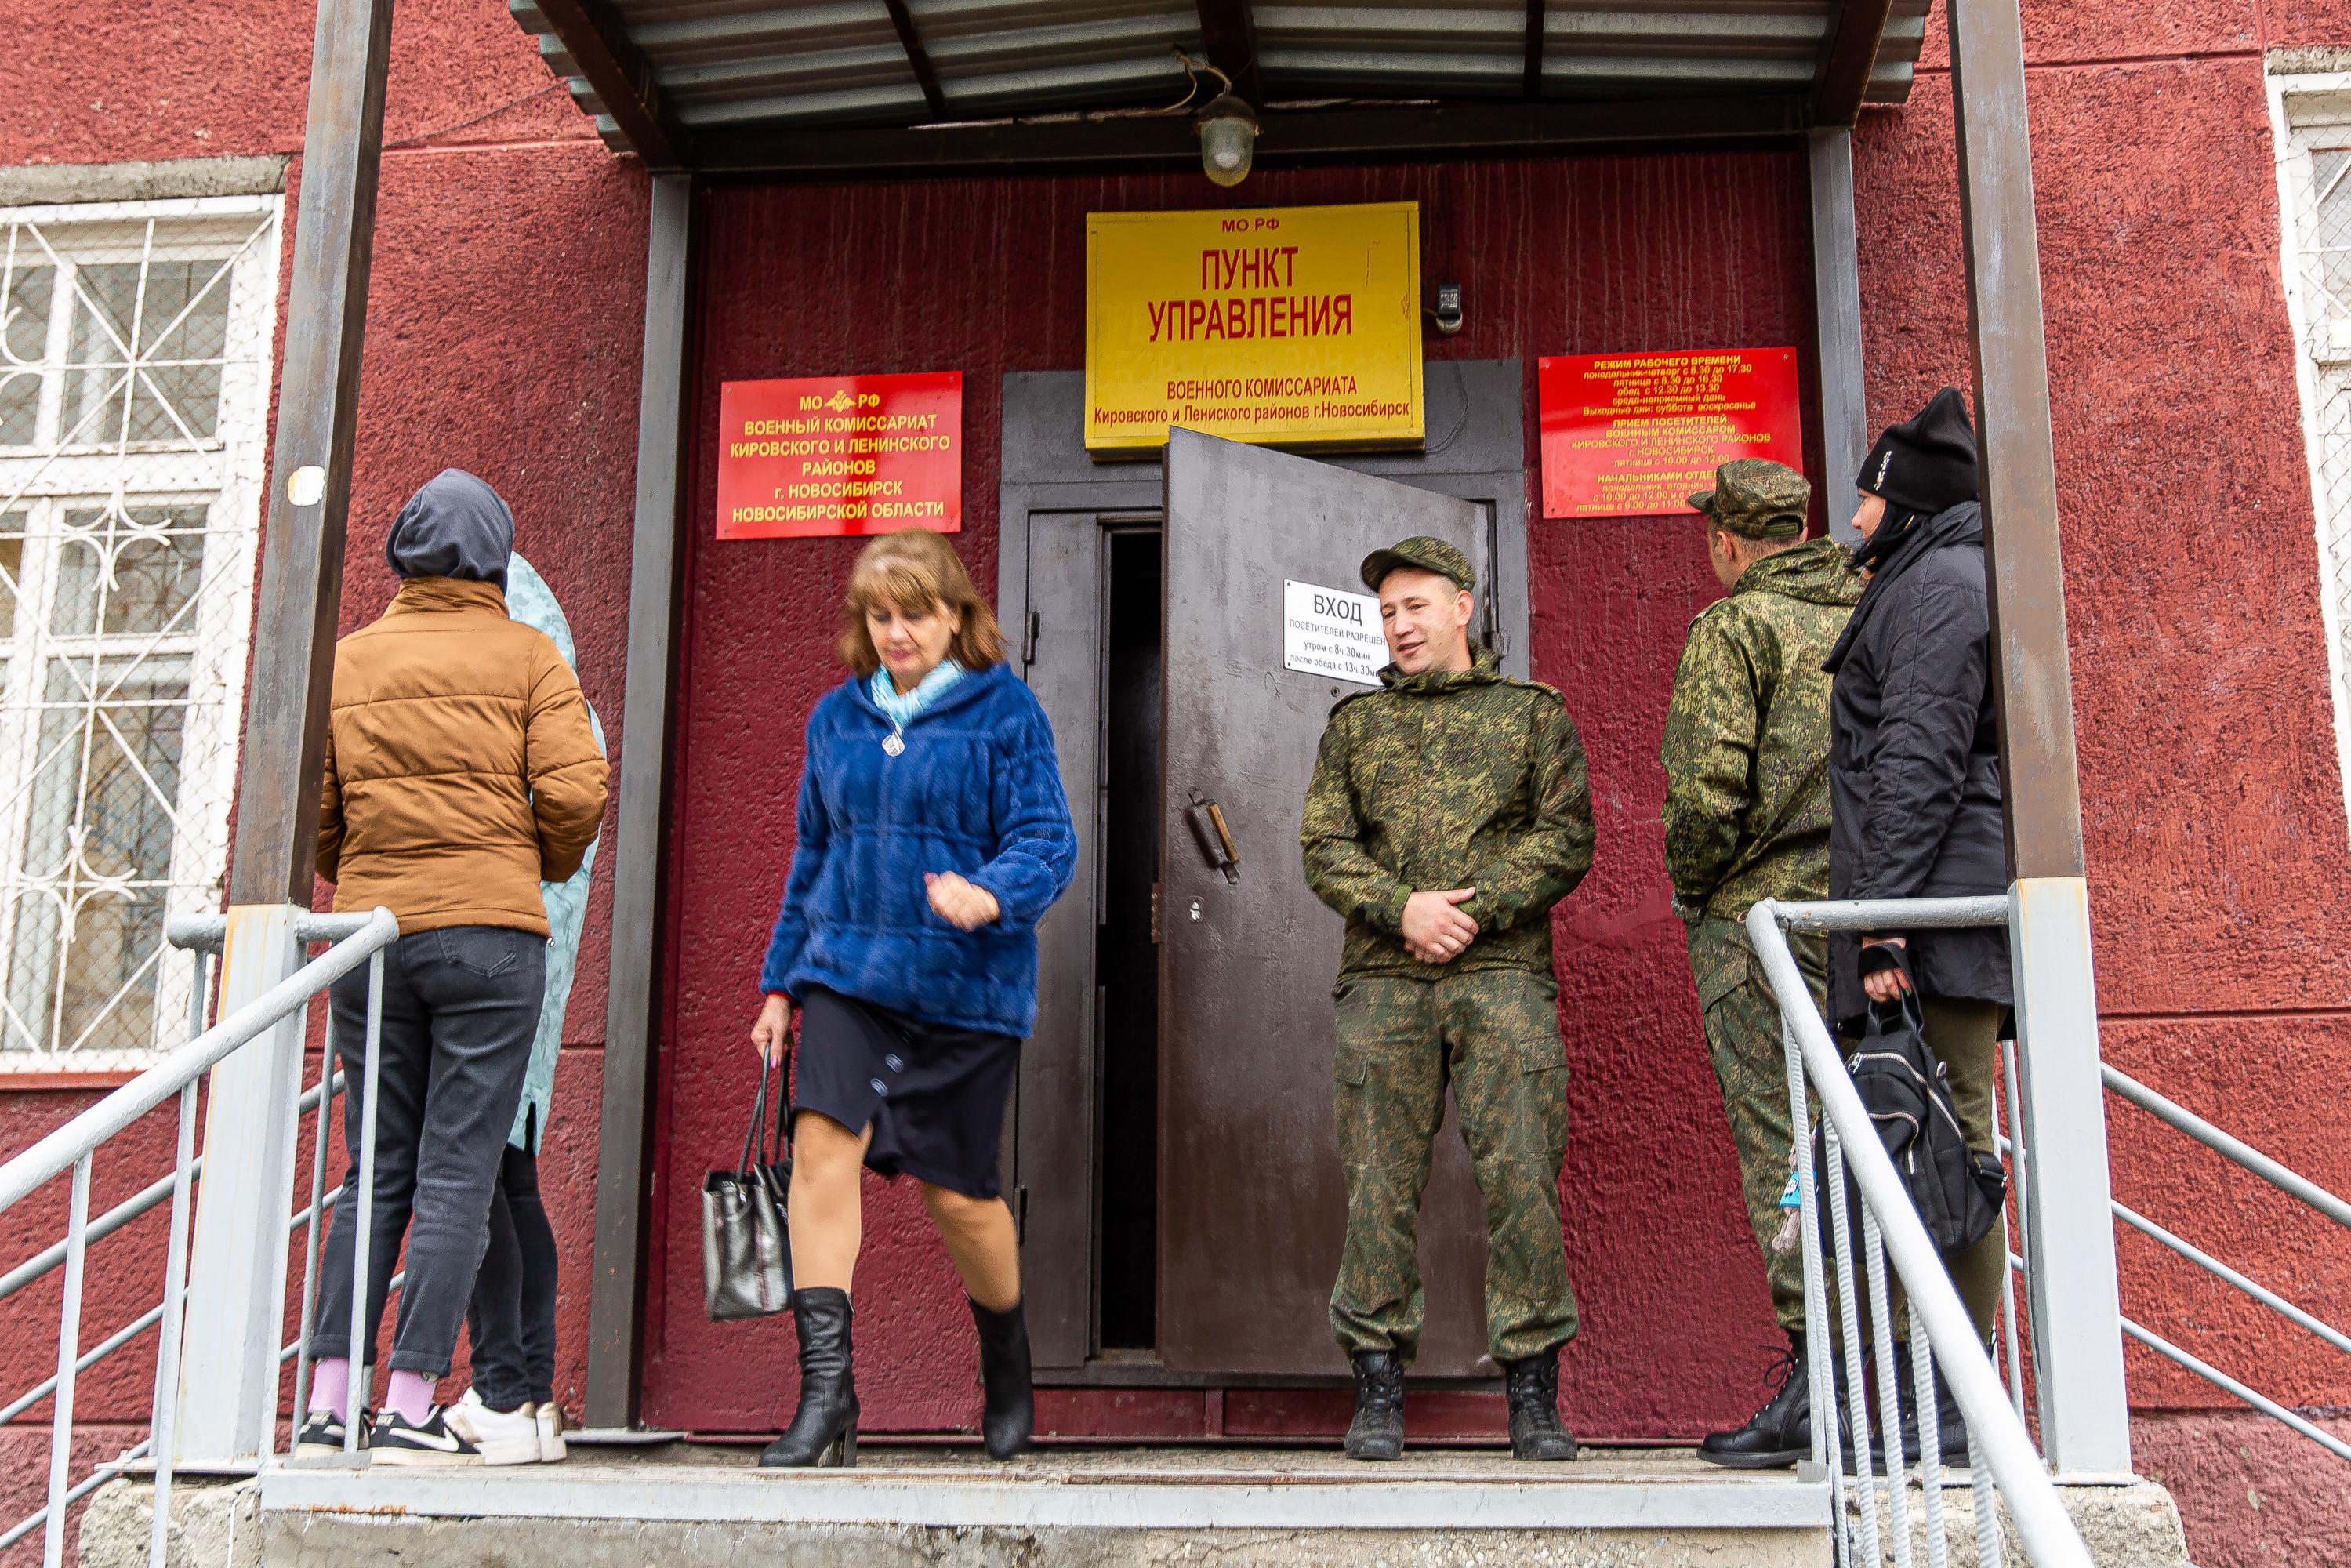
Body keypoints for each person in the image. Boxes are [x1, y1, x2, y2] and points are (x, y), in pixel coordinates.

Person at [748, 528, 1077, 1469]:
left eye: (915, 614)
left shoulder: (1004, 712)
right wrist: (779, 981)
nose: (896, 633)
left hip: (965, 990)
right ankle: (825, 1396)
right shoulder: (835, 719)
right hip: (849, 976)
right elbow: (812, 854)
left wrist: (990, 891)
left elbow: (1047, 840)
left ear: (955, 616)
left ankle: (1006, 1364)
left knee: (960, 1199)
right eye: (879, 616)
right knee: (820, 1155)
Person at [299, 471, 608, 1465]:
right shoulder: (528, 654)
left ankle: (327, 1398)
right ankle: (409, 1400)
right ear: (495, 557)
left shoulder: (346, 660)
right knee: (458, 1176)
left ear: (403, 552)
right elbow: (577, 794)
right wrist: (529, 868)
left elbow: (317, 808)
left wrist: (357, 870)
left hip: (371, 938)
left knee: (374, 1169)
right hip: (490, 939)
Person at [1300, 536, 1595, 1465]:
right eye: (1386, 612)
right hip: (1386, 980)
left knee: (1520, 1181)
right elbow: (1323, 845)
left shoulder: (1530, 716)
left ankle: (1533, 1397)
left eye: (1415, 606)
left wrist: (1471, 912)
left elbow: (1564, 835)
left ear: (1462, 607)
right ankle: (1378, 1388)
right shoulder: (1355, 726)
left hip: (1499, 976)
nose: (1399, 624)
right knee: (1379, 1186)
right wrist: (1402, 910)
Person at [1658, 459, 1860, 1469]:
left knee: (1784, 1150)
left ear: (1729, 541)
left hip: (1762, 925)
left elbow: (1703, 794)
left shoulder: (1732, 628)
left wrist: (1695, 893)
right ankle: (1884, 1371)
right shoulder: (1866, 606)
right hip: (1875, 920)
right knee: (1877, 1136)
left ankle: (1817, 1382)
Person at [1824, 386, 2012, 1462]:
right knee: (1921, 1139)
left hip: (1930, 906)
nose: (1851, 521)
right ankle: (1928, 1385)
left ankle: (1952, 1396)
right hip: (1918, 900)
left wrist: (1882, 926)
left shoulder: (1937, 588)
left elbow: (1917, 763)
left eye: (1863, 501)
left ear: (1903, 502)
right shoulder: (1919, 579)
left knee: (1949, 1143)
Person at [444, 554, 605, 1467]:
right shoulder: (565, 707)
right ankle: (532, 1395)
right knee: (508, 1173)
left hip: (492, 955)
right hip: (533, 965)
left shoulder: (524, 715)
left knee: (469, 1171)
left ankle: (499, 1384)